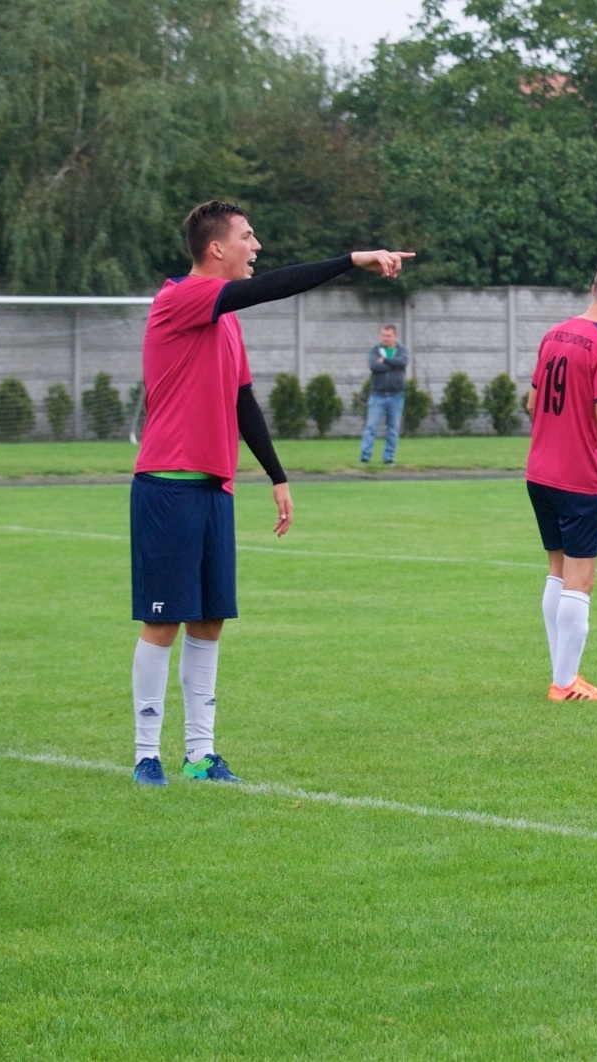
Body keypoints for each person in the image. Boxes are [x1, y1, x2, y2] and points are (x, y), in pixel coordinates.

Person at [131, 200, 412, 786]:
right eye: (248, 236)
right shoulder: (180, 298)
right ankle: (145, 755)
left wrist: (278, 476)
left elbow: (242, 403)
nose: (256, 247)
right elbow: (276, 288)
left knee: (209, 621)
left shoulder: (226, 321)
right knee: (163, 622)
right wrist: (350, 259)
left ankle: (201, 755)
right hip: (167, 488)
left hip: (214, 489)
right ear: (216, 248)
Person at [525, 260, 597, 702]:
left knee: (557, 572)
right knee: (581, 579)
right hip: (579, 478)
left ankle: (564, 674)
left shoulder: (554, 334)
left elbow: (532, 401)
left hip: (540, 472)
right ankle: (564, 682)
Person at [359, 324, 409, 464]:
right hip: (378, 395)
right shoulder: (375, 351)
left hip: (396, 396)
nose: (385, 338)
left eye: (388, 336)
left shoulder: (402, 350)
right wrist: (394, 366)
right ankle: (365, 457)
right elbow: (374, 366)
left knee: (393, 429)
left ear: (395, 336)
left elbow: (403, 362)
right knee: (371, 427)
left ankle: (388, 458)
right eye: (383, 336)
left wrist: (386, 361)